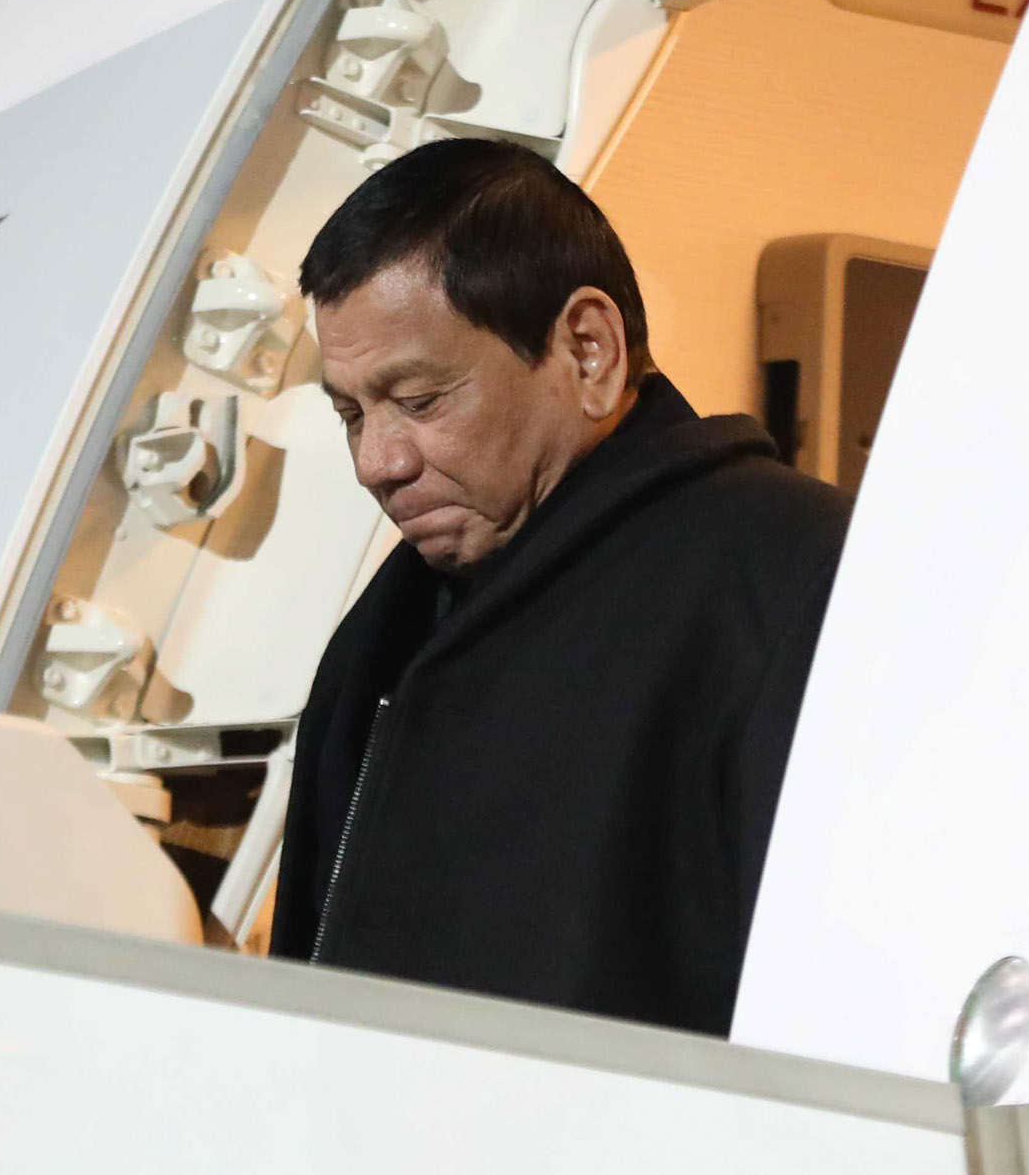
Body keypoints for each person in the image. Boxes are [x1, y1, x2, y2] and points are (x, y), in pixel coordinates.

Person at [268, 137, 848, 1036]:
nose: (376, 463)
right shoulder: (380, 639)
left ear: (587, 350)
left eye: (419, 400)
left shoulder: (797, 580)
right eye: (350, 413)